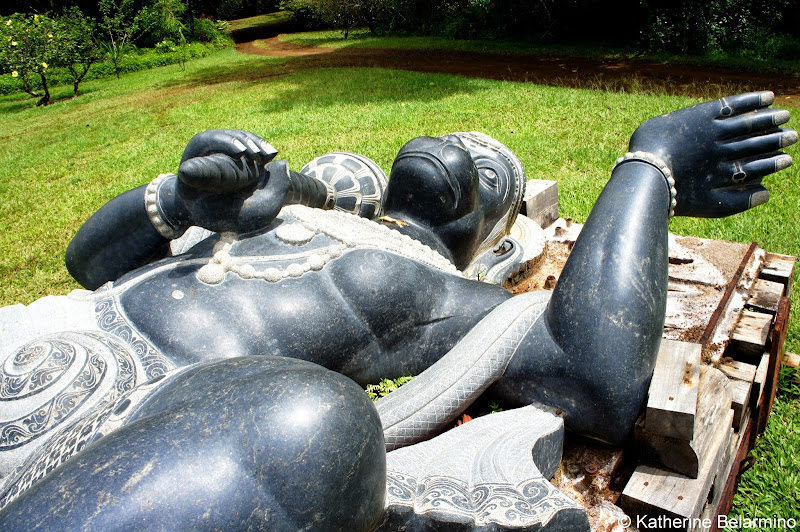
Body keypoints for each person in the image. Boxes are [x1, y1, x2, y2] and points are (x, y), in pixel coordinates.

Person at [0, 92, 794, 530]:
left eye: (490, 173)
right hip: (43, 346)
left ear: (485, 241)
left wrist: (648, 163)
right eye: (458, 137)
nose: (459, 149)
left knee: (309, 425)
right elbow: (87, 264)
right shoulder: (282, 205)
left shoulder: (428, 285)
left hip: (145, 449)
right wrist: (180, 198)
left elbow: (593, 370)